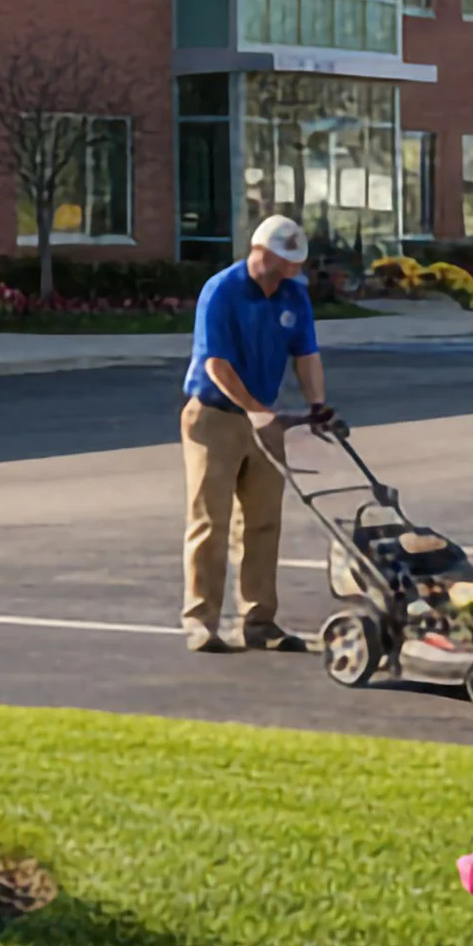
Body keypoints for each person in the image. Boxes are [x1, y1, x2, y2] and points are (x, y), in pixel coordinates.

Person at [180, 215, 339, 653]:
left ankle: (259, 620)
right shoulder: (223, 290)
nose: (292, 272)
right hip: (214, 415)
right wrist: (255, 411)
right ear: (261, 253)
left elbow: (306, 354)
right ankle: (201, 621)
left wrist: (317, 405)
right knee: (210, 520)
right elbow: (217, 364)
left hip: (264, 417)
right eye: (286, 263)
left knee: (264, 520)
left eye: (296, 264)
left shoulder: (293, 295)